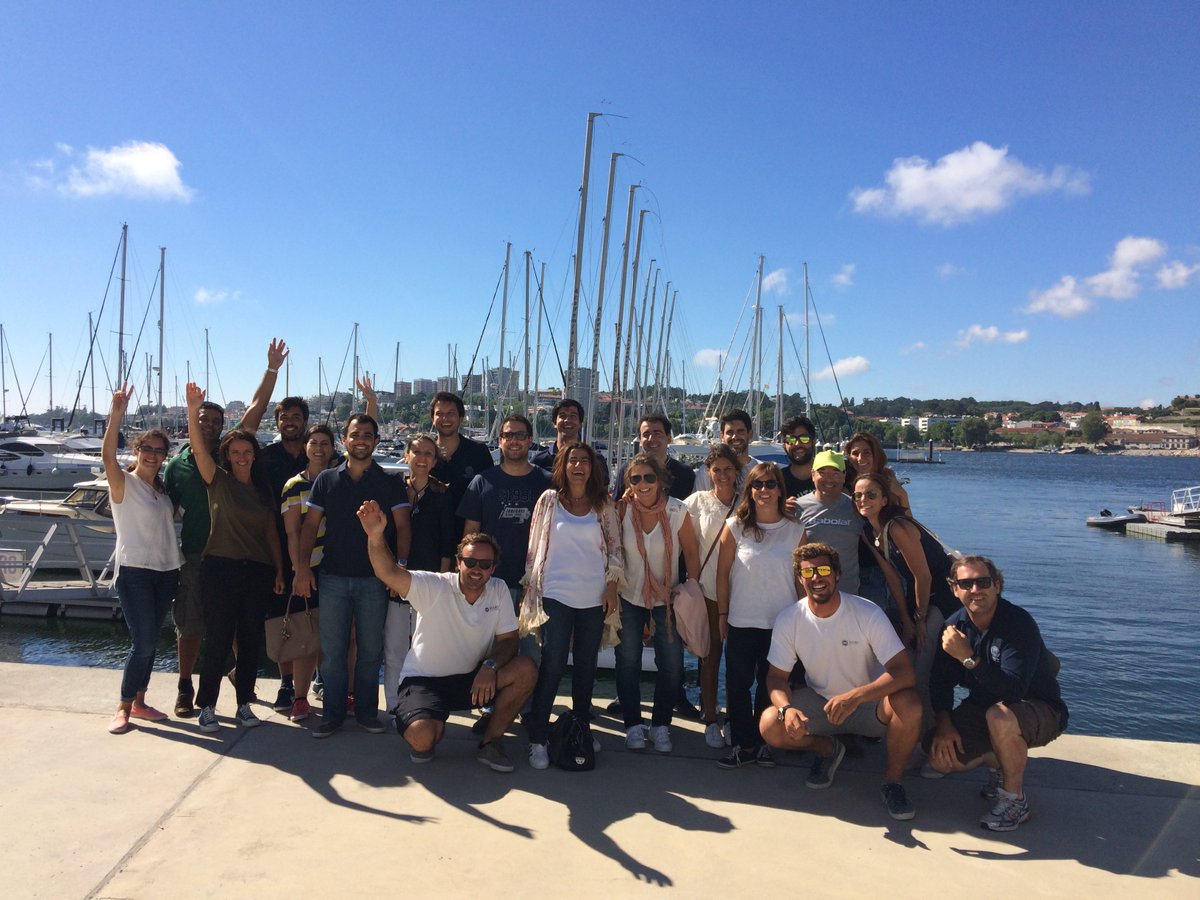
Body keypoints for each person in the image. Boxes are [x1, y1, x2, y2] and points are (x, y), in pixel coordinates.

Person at [358, 503, 537, 773]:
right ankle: (423, 720)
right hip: (424, 682)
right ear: (458, 563)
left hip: (473, 679)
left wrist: (490, 667)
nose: (477, 569)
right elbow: (388, 573)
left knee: (526, 669)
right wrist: (375, 536)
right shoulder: (434, 585)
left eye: (485, 564)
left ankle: (491, 741)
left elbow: (509, 640)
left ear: (493, 568)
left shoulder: (498, 590)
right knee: (424, 739)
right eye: (470, 562)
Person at [759, 542, 923, 821]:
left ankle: (892, 782)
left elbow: (904, 672)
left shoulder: (867, 612)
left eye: (823, 570)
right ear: (800, 578)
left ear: (836, 574)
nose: (816, 578)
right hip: (822, 703)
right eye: (808, 573)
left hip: (869, 705)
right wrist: (787, 710)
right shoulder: (790, 619)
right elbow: (776, 678)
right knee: (769, 724)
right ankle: (828, 750)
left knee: (909, 704)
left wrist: (858, 696)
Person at [164, 339, 285, 717]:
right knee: (199, 630)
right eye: (205, 421)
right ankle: (194, 693)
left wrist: (271, 370)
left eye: (216, 421)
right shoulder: (202, 469)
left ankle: (243, 700)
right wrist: (191, 409)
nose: (241, 455)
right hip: (205, 557)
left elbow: (256, 408)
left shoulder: (242, 470)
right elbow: (166, 503)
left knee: (247, 637)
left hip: (252, 566)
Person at [926, 556, 1068, 832]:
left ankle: (1014, 800)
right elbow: (939, 683)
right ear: (954, 589)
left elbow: (1013, 690)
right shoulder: (954, 628)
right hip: (984, 708)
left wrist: (968, 659)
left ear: (997, 585)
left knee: (1000, 717)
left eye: (983, 582)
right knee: (939, 760)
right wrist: (944, 725)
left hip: (1037, 707)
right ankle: (1001, 764)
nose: (975, 590)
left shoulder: (1017, 623)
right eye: (966, 583)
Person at [293, 413, 411, 738]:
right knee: (333, 652)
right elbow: (309, 527)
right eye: (355, 434)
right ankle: (331, 715)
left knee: (371, 651)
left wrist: (398, 572)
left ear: (375, 440)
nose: (361, 440)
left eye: (368, 435)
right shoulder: (326, 480)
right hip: (332, 577)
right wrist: (302, 568)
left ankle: (366, 713)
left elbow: (403, 527)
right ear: (345, 439)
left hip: (376, 579)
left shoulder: (390, 482)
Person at [521, 441, 623, 769]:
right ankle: (537, 737)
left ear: (592, 468)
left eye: (584, 461)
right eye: (572, 461)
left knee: (585, 667)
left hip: (593, 597)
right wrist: (531, 592)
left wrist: (611, 589)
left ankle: (580, 728)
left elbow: (615, 550)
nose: (578, 466)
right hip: (555, 595)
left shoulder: (603, 504)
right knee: (551, 664)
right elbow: (534, 548)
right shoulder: (548, 502)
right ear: (563, 466)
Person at [103, 384, 183, 734]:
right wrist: (116, 414)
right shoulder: (124, 484)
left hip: (166, 572)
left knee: (150, 640)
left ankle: (139, 701)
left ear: (165, 455)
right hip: (134, 571)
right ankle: (122, 707)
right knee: (144, 640)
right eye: (146, 449)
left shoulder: (162, 492)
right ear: (137, 451)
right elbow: (107, 457)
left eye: (158, 451)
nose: (152, 455)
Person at [715, 462, 805, 769]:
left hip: (781, 624)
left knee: (772, 686)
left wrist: (806, 622)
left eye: (770, 484)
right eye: (757, 485)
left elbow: (800, 581)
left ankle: (766, 741)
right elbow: (722, 575)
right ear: (749, 491)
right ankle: (743, 743)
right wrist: (722, 614)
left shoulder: (796, 531)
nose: (763, 490)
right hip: (741, 620)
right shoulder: (735, 527)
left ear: (781, 489)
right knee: (738, 686)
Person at [854, 471, 958, 725]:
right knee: (906, 656)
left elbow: (923, 576)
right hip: (919, 598)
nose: (863, 499)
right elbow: (893, 578)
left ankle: (928, 737)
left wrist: (920, 620)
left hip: (943, 597)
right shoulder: (869, 533)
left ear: (884, 500)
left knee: (921, 665)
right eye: (857, 495)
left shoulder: (898, 527)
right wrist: (906, 619)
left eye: (871, 495)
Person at [614, 453, 701, 753]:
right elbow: (612, 553)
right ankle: (633, 725)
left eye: (649, 477)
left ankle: (661, 724)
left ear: (660, 480)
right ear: (628, 483)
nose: (643, 484)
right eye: (635, 478)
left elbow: (691, 553)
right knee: (627, 664)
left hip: (668, 598)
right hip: (629, 597)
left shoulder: (678, 511)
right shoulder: (622, 510)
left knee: (672, 665)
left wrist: (691, 587)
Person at [459, 414, 551, 666]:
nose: (514, 441)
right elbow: (470, 534)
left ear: (530, 440)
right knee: (488, 650)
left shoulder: (547, 481)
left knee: (531, 652)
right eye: (508, 435)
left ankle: (529, 705)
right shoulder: (482, 481)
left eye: (520, 435)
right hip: (490, 579)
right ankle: (490, 703)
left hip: (533, 582)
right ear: (499, 441)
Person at [383, 434, 456, 718]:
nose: (422, 458)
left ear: (435, 460)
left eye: (429, 453)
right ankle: (393, 707)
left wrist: (441, 581)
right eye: (417, 452)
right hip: (396, 581)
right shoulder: (393, 491)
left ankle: (423, 707)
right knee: (394, 649)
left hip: (429, 584)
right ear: (407, 455)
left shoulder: (442, 495)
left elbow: (447, 544)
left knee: (425, 650)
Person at [682, 443, 741, 748]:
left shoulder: (748, 504)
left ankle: (734, 716)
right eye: (716, 469)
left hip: (742, 592)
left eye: (727, 469)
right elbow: (670, 524)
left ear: (736, 471)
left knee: (738, 659)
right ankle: (709, 716)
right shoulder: (696, 502)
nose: (722, 475)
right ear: (708, 472)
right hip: (707, 590)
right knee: (709, 656)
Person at [279, 424, 338, 723]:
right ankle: (300, 699)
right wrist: (300, 571)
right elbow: (292, 533)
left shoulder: (338, 480)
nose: (319, 448)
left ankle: (322, 682)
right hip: (309, 568)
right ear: (305, 447)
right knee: (305, 636)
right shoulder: (293, 486)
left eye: (325, 443)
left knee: (330, 635)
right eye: (313, 442)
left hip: (337, 567)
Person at [429, 391, 494, 532]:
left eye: (451, 413)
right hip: (430, 536)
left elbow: (489, 496)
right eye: (439, 414)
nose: (445, 418)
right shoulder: (425, 453)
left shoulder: (479, 452)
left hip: (469, 535)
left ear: (461, 417)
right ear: (432, 419)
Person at [612, 414, 694, 502]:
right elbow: (616, 507)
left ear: (669, 438)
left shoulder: (685, 473)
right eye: (646, 434)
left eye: (657, 434)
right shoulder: (627, 471)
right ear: (640, 440)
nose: (651, 439)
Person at [531, 397, 610, 486]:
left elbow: (602, 496)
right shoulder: (539, 461)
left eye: (573, 416)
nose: (567, 420)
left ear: (580, 423)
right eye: (562, 416)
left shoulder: (596, 460)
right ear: (554, 423)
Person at [693, 409, 759, 494]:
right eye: (730, 432)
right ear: (722, 436)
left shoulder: (759, 470)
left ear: (750, 434)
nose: (735, 437)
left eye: (740, 431)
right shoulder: (705, 472)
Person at [845, 432, 910, 512]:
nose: (860, 458)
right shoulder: (843, 481)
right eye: (855, 453)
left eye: (867, 452)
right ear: (849, 457)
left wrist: (902, 494)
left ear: (876, 454)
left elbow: (907, 521)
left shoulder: (888, 480)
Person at [779, 415, 817, 503]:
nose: (797, 444)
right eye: (791, 440)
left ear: (813, 441)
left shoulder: (828, 477)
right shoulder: (777, 480)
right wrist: (781, 509)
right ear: (784, 445)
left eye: (804, 438)